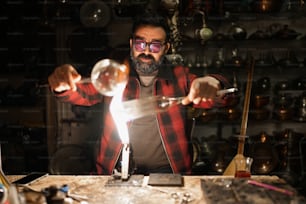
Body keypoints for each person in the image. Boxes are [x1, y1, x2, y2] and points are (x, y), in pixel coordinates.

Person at [48, 11, 232, 175]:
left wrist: (213, 83)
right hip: (117, 170)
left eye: (155, 46)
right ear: (131, 44)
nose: (146, 51)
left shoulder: (179, 77)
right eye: (140, 43)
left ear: (165, 49)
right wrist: (63, 85)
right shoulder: (114, 76)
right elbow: (81, 93)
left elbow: (222, 97)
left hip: (168, 171)